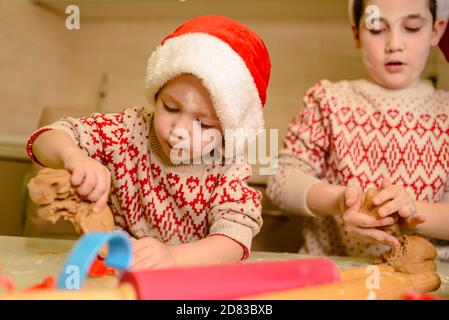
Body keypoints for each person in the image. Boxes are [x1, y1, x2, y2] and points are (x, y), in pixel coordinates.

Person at [27, 15, 271, 269]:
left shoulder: (228, 165)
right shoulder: (128, 130)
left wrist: (173, 258)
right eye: (170, 108)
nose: (179, 131)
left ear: (228, 130)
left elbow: (234, 240)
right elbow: (44, 139)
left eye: (204, 124)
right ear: (156, 95)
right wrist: (73, 157)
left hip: (190, 285)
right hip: (117, 273)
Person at [267, 0, 449, 260]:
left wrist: (410, 211)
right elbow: (281, 180)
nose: (394, 44)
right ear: (356, 33)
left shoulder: (446, 113)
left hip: (428, 282)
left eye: (411, 27)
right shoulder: (327, 100)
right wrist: (341, 200)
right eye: (377, 29)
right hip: (332, 276)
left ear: (436, 31)